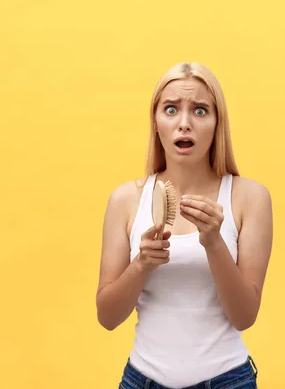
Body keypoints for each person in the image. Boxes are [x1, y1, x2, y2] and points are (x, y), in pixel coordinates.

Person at [96, 62, 273, 389]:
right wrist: (141, 264)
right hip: (142, 380)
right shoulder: (125, 200)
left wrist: (214, 242)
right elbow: (107, 317)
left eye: (201, 111)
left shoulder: (250, 198)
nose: (184, 124)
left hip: (228, 381)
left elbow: (245, 316)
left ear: (217, 122)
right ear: (156, 121)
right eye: (171, 109)